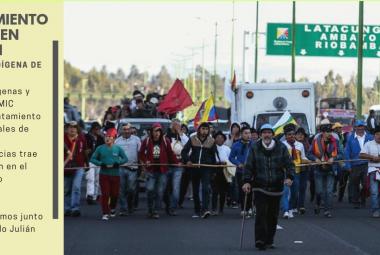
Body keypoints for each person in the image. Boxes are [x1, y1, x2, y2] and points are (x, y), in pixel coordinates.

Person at [242, 124, 294, 250]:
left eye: (269, 132)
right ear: (260, 135)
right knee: (261, 214)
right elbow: (249, 166)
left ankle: (269, 240)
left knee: (272, 215)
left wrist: (290, 177)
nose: (266, 135)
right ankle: (260, 240)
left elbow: (289, 164)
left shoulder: (281, 147)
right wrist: (247, 181)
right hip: (260, 186)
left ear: (273, 134)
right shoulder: (255, 148)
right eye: (264, 132)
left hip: (276, 186)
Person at [139, 123, 179, 219]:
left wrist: (177, 163)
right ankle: (150, 210)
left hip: (162, 170)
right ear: (151, 132)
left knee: (160, 191)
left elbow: (170, 153)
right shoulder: (147, 141)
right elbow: (141, 154)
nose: (157, 133)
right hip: (151, 170)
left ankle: (155, 210)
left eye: (159, 131)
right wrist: (145, 161)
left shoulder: (166, 141)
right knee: (149, 189)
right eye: (155, 131)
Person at [90, 128, 128, 221]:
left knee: (114, 194)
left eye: (110, 137)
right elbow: (92, 159)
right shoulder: (100, 148)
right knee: (105, 194)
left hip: (115, 175)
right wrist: (101, 164)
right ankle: (105, 212)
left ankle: (113, 208)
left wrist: (118, 162)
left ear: (114, 138)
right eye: (106, 137)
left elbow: (125, 159)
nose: (108, 139)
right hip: (104, 174)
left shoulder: (118, 148)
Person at [181, 122, 217, 219]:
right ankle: (197, 210)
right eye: (203, 129)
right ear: (199, 129)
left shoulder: (211, 141)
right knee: (195, 190)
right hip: (194, 167)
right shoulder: (192, 139)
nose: (205, 131)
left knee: (205, 189)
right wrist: (187, 160)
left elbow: (214, 157)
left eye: (206, 129)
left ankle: (205, 210)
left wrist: (214, 171)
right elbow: (184, 152)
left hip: (206, 168)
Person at [309, 119, 339, 217]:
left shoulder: (336, 141)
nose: (330, 133)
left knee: (329, 191)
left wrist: (333, 158)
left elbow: (342, 154)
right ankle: (318, 203)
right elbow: (309, 154)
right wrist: (315, 159)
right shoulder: (315, 141)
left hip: (331, 169)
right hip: (318, 169)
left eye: (331, 131)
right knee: (319, 191)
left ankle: (327, 210)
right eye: (327, 132)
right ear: (323, 133)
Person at [281, 124, 310, 218]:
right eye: (289, 134)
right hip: (284, 172)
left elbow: (303, 157)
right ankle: (286, 210)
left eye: (293, 134)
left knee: (294, 192)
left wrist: (307, 161)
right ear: (285, 136)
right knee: (285, 192)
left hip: (296, 172)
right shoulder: (281, 145)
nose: (291, 136)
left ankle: (290, 208)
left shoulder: (300, 145)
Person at [344, 120, 373, 208]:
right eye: (358, 127)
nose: (360, 128)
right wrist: (348, 165)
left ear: (364, 127)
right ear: (355, 127)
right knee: (354, 184)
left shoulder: (370, 137)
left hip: (367, 164)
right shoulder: (350, 138)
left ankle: (363, 198)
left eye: (362, 126)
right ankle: (356, 201)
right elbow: (347, 152)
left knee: (366, 184)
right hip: (354, 164)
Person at [115, 123, 141, 216]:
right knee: (121, 190)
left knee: (131, 189)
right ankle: (123, 209)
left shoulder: (136, 139)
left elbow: (140, 152)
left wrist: (142, 166)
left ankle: (130, 205)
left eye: (127, 129)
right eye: (124, 129)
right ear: (121, 130)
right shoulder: (117, 141)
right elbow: (115, 154)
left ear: (130, 130)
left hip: (132, 168)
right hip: (121, 168)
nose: (126, 131)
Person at [164, 119, 189, 216]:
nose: (176, 127)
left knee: (176, 188)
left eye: (178, 125)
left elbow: (188, 144)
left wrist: (180, 133)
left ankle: (173, 207)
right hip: (167, 165)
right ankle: (167, 204)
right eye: (174, 125)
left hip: (178, 165)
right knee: (165, 187)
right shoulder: (166, 136)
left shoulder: (182, 136)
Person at [229, 126, 254, 217]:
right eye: (246, 133)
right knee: (242, 190)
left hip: (252, 171)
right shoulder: (236, 145)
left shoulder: (254, 144)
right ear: (241, 134)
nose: (248, 135)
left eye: (249, 133)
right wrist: (238, 163)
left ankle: (250, 207)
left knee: (251, 190)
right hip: (241, 171)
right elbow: (231, 157)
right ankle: (244, 208)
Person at [64, 121, 87, 217]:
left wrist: (87, 163)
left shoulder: (81, 138)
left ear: (77, 129)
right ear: (66, 129)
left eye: (74, 127)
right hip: (65, 167)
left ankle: (75, 208)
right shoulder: (61, 138)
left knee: (76, 187)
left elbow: (85, 151)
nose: (72, 129)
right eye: (70, 127)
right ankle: (66, 209)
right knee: (66, 189)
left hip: (79, 166)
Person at [359, 126, 380, 218]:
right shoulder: (368, 144)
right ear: (374, 135)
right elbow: (361, 155)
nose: (379, 136)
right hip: (373, 170)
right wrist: (372, 157)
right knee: (374, 192)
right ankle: (375, 210)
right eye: (377, 134)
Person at [211, 131, 232, 215]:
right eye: (218, 137)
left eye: (221, 137)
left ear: (224, 139)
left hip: (225, 170)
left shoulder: (227, 148)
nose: (220, 139)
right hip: (215, 169)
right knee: (215, 191)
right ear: (214, 139)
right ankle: (214, 208)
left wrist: (226, 163)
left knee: (223, 191)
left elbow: (230, 159)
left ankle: (221, 209)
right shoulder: (212, 148)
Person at [85, 122, 104, 205]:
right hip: (89, 160)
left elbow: (104, 148)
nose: (98, 131)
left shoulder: (100, 138)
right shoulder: (86, 137)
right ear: (92, 129)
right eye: (96, 129)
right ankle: (90, 195)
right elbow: (84, 149)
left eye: (99, 129)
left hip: (98, 161)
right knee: (90, 178)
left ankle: (95, 196)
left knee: (97, 179)